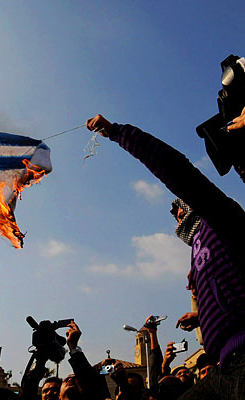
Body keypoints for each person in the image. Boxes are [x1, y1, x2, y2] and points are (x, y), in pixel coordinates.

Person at [86, 114, 245, 399]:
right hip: (224, 363)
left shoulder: (222, 217)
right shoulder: (199, 249)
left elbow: (177, 170)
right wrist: (201, 316)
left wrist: (116, 132)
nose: (176, 218)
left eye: (178, 210)